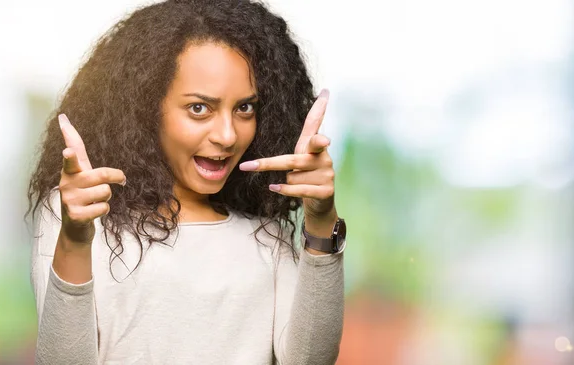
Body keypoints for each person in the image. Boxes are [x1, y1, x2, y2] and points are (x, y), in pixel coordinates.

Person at [28, 0, 347, 364]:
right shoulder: (77, 215)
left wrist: (322, 221)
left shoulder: (266, 237)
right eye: (199, 108)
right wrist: (73, 240)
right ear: (146, 108)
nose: (227, 136)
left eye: (245, 108)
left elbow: (310, 361)